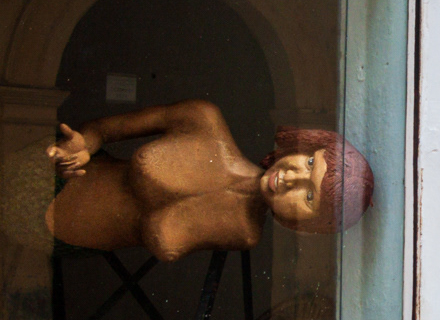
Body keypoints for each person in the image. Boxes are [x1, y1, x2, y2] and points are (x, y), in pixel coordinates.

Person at [43, 99, 373, 262]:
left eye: (309, 196)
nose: (291, 178)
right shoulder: (203, 121)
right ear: (306, 147)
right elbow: (102, 130)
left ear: (310, 225)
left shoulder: (244, 234)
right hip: (51, 176)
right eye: (309, 163)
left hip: (61, 241)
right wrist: (81, 146)